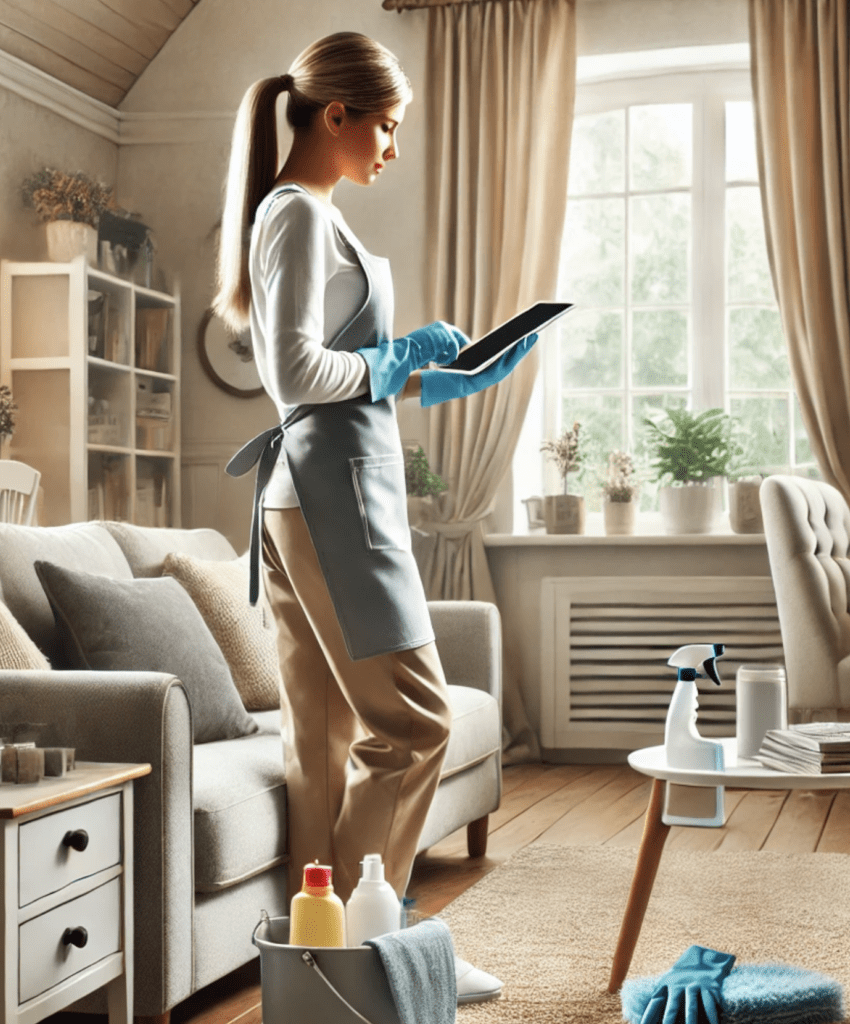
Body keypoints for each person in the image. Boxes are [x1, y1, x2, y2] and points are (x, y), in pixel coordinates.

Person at [214, 32, 535, 1002]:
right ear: (336, 115)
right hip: (334, 501)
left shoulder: (305, 217)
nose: (391, 146)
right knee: (415, 723)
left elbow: (342, 378)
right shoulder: (300, 218)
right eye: (385, 126)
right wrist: (397, 359)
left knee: (319, 743)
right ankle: (372, 943)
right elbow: (294, 375)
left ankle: (317, 972)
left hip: (310, 494)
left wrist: (443, 371)